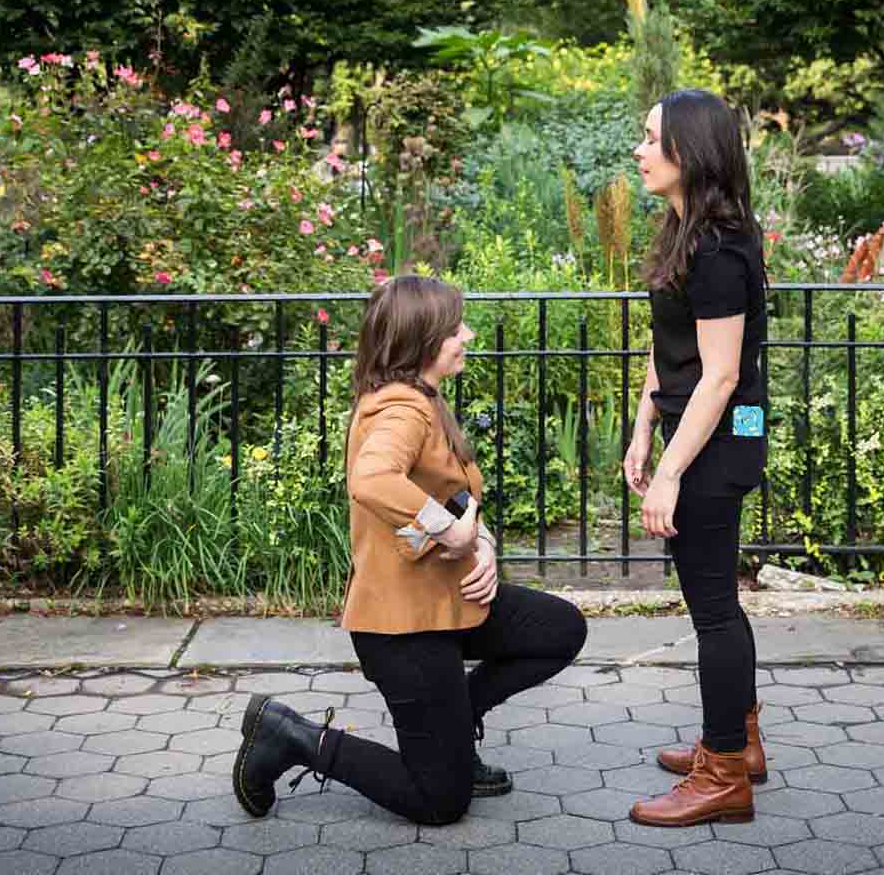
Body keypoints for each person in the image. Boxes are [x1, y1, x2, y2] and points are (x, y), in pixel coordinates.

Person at [233, 274, 588, 825]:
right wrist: (450, 534)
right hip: (402, 628)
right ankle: (294, 738)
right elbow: (371, 478)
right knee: (440, 802)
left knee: (559, 628)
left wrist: (483, 544)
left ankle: (456, 717)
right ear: (423, 339)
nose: (467, 334)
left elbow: (458, 498)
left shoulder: (425, 399)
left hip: (447, 603)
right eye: (455, 328)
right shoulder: (403, 410)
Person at [623, 88, 769, 827]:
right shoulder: (685, 233)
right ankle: (738, 743)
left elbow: (719, 374)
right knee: (719, 604)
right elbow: (670, 350)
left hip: (717, 445)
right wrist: (645, 423)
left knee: (712, 611)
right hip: (697, 433)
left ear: (690, 151)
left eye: (652, 139)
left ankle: (722, 776)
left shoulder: (715, 249)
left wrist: (672, 473)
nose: (640, 151)